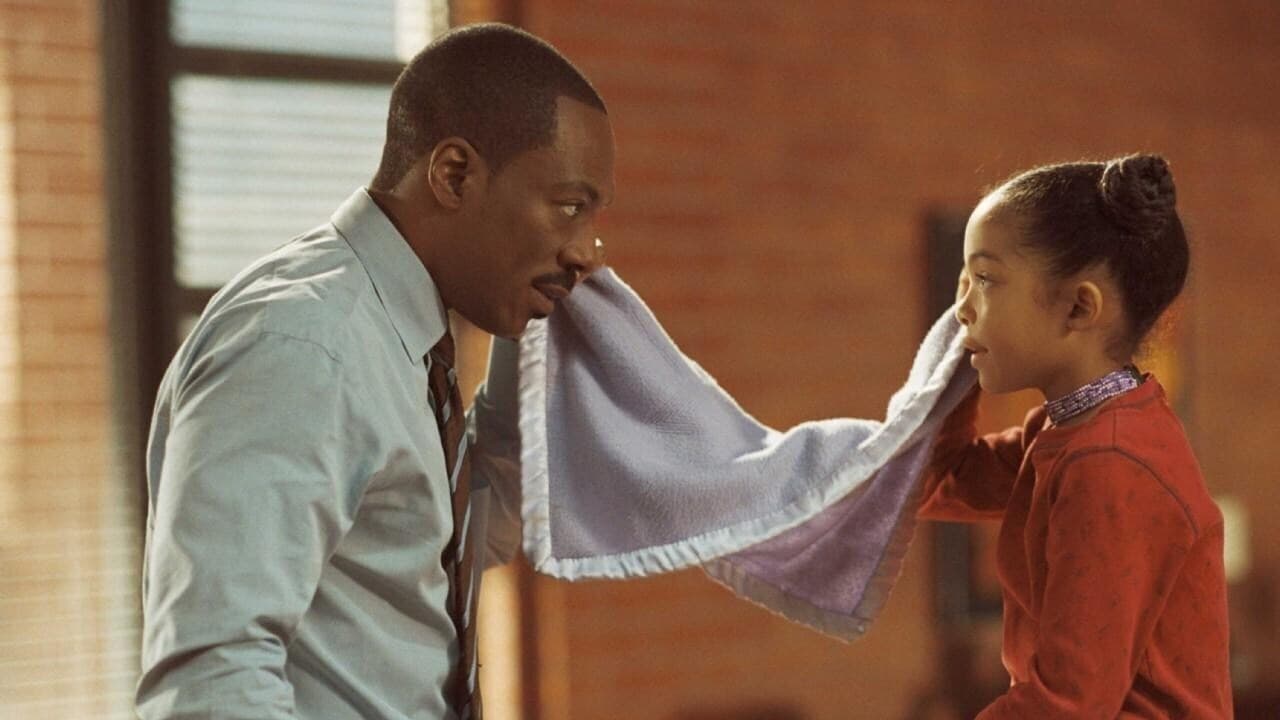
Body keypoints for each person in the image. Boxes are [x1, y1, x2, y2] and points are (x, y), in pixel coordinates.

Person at [136, 23, 614, 719]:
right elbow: (213, 679)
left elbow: (463, 540)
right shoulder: (306, 344)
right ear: (454, 175)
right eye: (569, 208)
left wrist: (531, 340)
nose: (588, 253)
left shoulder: (404, 339)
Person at [917, 154, 1232, 717]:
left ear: (1079, 307)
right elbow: (939, 481)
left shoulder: (1111, 461)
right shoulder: (1066, 427)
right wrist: (953, 369)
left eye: (985, 279)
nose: (961, 308)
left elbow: (1066, 705)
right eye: (963, 281)